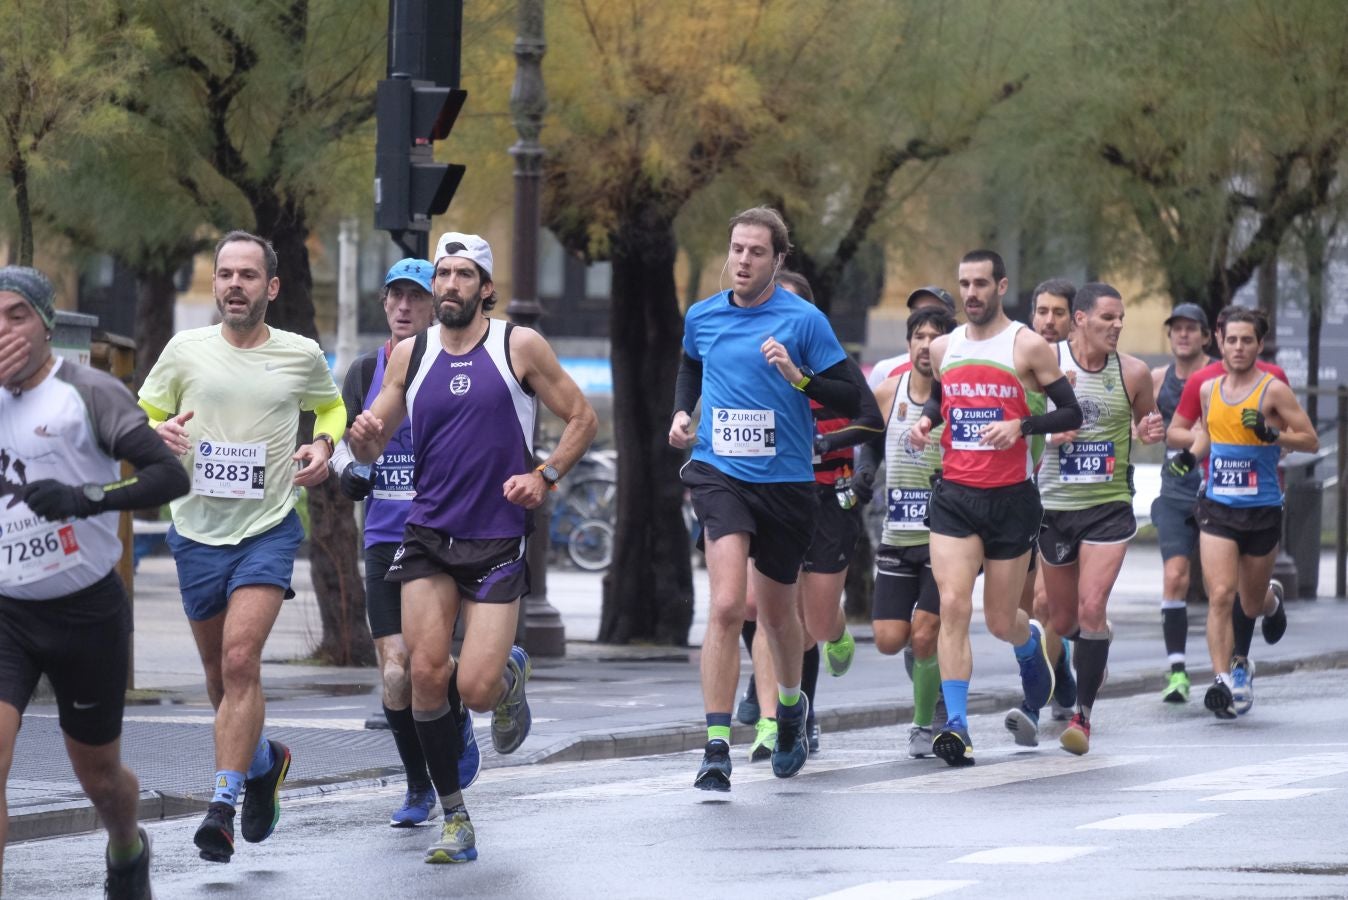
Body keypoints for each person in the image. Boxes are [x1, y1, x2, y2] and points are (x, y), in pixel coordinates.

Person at [348, 232, 597, 862]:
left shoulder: (519, 346)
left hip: (495, 538)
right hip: (427, 534)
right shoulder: (412, 353)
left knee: (477, 691)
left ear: (485, 287)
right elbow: (376, 438)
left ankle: (507, 674)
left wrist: (544, 476)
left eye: (463, 275)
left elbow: (581, 417)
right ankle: (456, 818)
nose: (450, 285)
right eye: (443, 274)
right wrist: (363, 435)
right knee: (425, 675)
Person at [138, 231, 346, 863]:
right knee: (217, 679)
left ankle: (222, 805)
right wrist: (158, 430)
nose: (233, 284)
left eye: (247, 275)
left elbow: (330, 410)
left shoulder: (300, 354)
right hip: (196, 531)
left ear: (270, 287)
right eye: (225, 274)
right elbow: (144, 411)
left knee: (237, 663)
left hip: (267, 527)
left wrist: (324, 446)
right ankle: (263, 763)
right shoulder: (185, 350)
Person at [0, 266, 190, 897]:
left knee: (100, 776)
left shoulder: (89, 390)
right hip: (6, 614)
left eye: (17, 315)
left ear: (47, 325)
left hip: (86, 613)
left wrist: (86, 497)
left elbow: (168, 477)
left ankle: (127, 847)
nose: (4, 330)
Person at [670, 207, 865, 791]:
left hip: (784, 485)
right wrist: (682, 413)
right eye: (736, 249)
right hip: (718, 472)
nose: (743, 261)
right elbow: (690, 366)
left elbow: (852, 397)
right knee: (728, 605)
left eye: (756, 252)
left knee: (780, 616)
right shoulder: (703, 316)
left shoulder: (804, 321)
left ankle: (789, 709)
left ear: (778, 260)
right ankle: (715, 744)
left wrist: (799, 378)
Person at [909, 249, 1081, 767]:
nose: (971, 294)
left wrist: (1021, 426)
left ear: (1001, 286)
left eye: (981, 284)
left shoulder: (1027, 345)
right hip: (956, 498)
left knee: (1002, 620)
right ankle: (957, 727)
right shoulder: (944, 347)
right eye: (964, 284)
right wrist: (926, 423)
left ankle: (1030, 645)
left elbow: (1069, 411)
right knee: (953, 605)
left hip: (1011, 499)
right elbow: (944, 400)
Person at [329, 258, 480, 827]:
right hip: (385, 537)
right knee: (396, 673)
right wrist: (348, 472)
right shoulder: (366, 369)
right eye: (395, 296)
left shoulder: (456, 364)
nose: (403, 307)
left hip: (446, 538)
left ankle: (459, 709)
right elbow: (336, 439)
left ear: (434, 302)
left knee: (434, 668)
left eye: (415, 297)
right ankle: (418, 785)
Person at [1007, 283, 1164, 755]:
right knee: (1063, 617)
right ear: (1080, 319)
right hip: (1055, 509)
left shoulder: (1133, 372)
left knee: (1092, 609)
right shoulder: (1045, 366)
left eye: (1121, 319)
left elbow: (1149, 426)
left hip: (1109, 508)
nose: (1117, 326)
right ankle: (1094, 648)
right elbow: (1018, 427)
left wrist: (1150, 429)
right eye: (1107, 318)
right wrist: (1049, 439)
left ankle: (1083, 718)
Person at [738, 270, 882, 762]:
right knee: (770, 612)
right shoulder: (754, 370)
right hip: (774, 495)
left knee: (814, 620)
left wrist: (837, 449)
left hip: (828, 498)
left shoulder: (834, 370)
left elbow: (871, 424)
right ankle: (773, 720)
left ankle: (836, 633)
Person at [1166, 306, 1317, 719]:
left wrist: (1272, 433)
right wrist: (1186, 457)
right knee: (1219, 595)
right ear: (1219, 341)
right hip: (1217, 506)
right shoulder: (1207, 390)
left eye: (1246, 340)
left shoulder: (1273, 391)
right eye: (1231, 339)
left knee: (1249, 602)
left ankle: (1271, 603)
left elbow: (1310, 440)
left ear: (1259, 344)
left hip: (1262, 508)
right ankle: (1222, 680)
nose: (1238, 347)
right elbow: (1208, 436)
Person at [858, 305, 956, 758]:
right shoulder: (886, 393)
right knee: (889, 639)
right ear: (908, 343)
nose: (924, 344)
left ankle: (923, 723)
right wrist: (861, 476)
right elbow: (868, 442)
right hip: (897, 534)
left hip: (946, 538)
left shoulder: (958, 399)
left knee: (925, 632)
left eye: (934, 336)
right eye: (918, 335)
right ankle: (930, 678)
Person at [1149, 303, 1216, 704]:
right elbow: (1146, 430)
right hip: (1174, 491)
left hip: (1217, 490)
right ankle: (1177, 671)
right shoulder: (1159, 379)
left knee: (1222, 587)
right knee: (1175, 576)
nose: (1184, 335)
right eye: (1177, 329)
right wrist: (1148, 429)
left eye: (1192, 328)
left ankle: (1234, 662)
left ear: (1206, 336)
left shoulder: (1221, 377)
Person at [1025, 278, 1078, 721]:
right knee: (1023, 610)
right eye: (1042, 311)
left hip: (1068, 501)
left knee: (1045, 604)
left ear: (1074, 318)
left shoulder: (1084, 364)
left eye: (1058, 312)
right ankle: (1059, 665)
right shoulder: (1019, 356)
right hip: (1018, 493)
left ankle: (1034, 700)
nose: (1049, 320)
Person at [865, 286, 958, 389]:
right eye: (916, 312)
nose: (924, 319)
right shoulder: (885, 371)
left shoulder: (964, 371)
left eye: (933, 313)